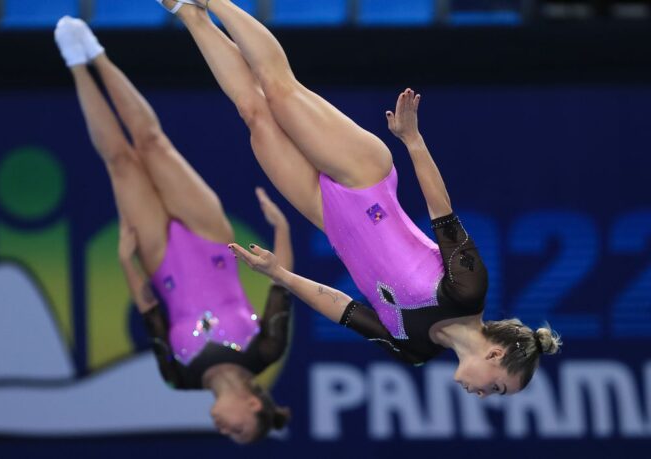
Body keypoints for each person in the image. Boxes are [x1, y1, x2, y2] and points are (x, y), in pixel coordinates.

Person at [160, 0, 561, 397]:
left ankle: (186, 12)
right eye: (499, 389)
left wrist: (280, 276)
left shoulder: (414, 350)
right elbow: (443, 214)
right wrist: (412, 141)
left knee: (254, 114)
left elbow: (344, 309)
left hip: (328, 217)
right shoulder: (469, 290)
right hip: (365, 177)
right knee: (279, 90)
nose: (487, 395)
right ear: (495, 355)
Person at [54, 16, 292, 442]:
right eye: (237, 429)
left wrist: (127, 261)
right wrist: (282, 227)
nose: (224, 429)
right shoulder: (265, 352)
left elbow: (149, 313)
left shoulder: (177, 377)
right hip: (212, 241)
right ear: (254, 405)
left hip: (158, 257)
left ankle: (74, 64)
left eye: (227, 435)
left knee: (120, 162)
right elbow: (281, 285)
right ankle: (96, 55)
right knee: (151, 143)